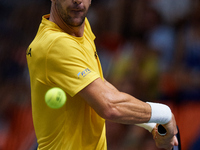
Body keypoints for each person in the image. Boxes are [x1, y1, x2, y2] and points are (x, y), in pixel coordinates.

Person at [26, 0, 178, 149]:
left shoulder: (81, 28)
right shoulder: (55, 44)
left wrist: (150, 123)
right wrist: (163, 114)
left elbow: (101, 86)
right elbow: (109, 105)